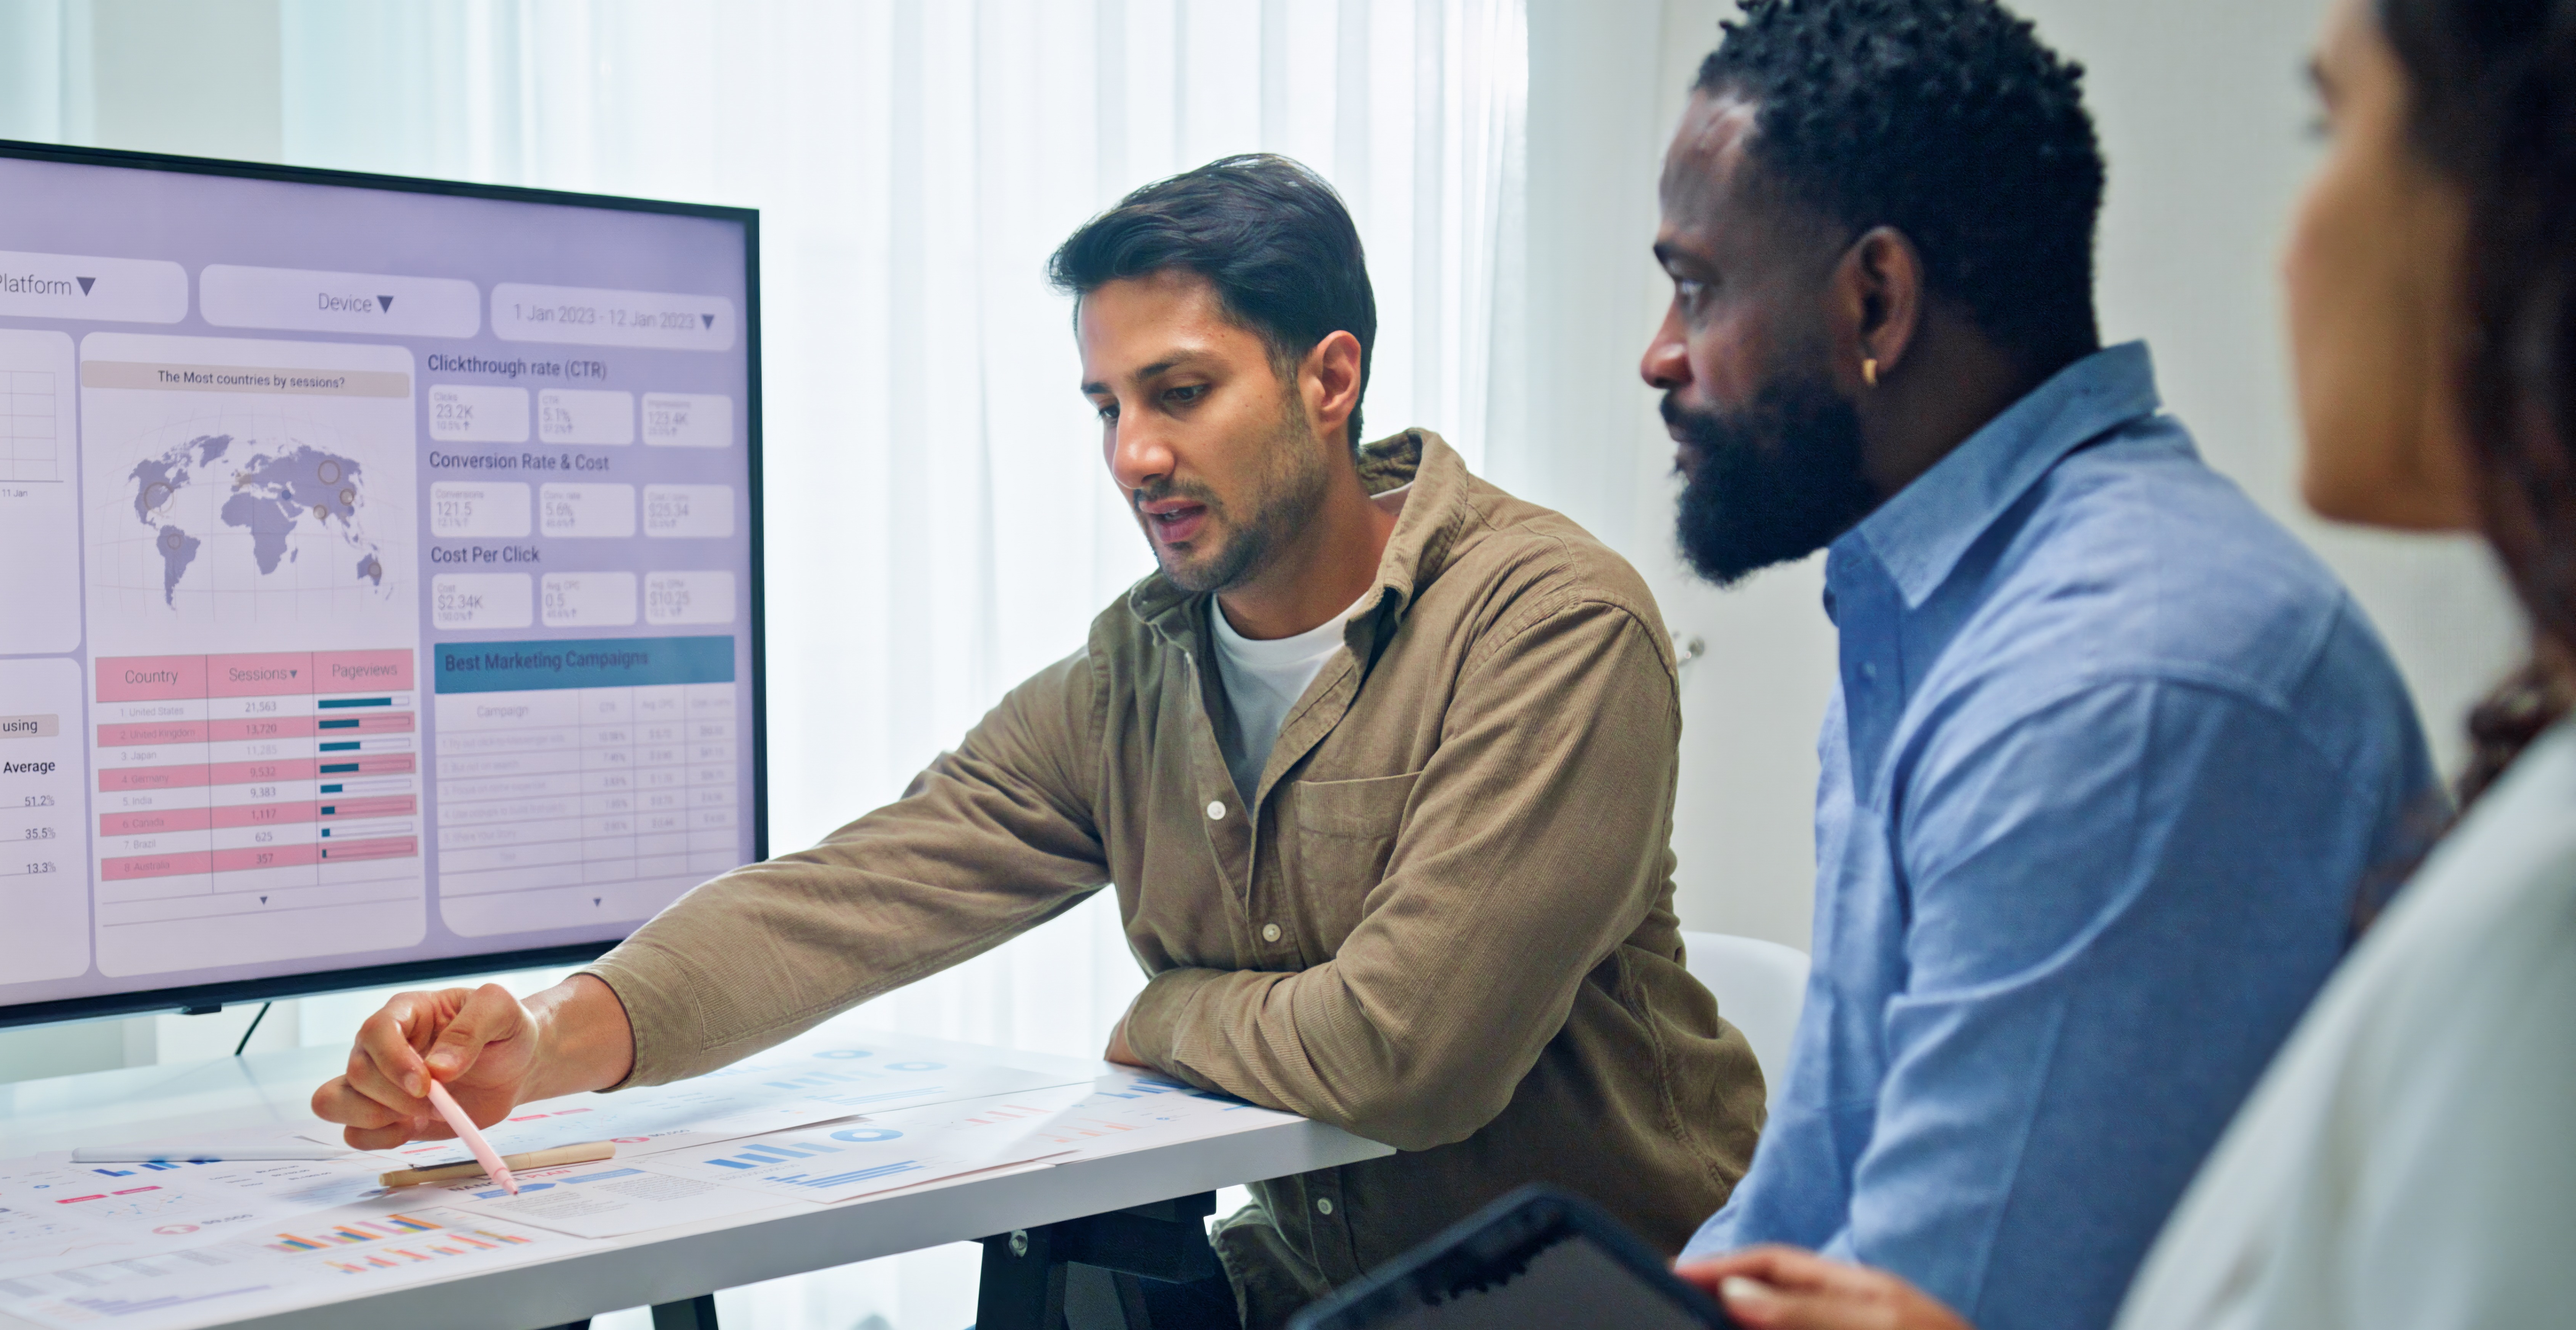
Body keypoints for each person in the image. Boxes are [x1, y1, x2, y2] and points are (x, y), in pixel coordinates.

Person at [317, 154, 1766, 1327]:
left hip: (1613, 1300)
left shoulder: (1548, 626)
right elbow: (854, 897)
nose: (1134, 453)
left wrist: (1168, 1014)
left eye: (1181, 393)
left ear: (1330, 381)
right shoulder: (1138, 666)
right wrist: (551, 1038)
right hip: (1320, 1293)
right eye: (1109, 405)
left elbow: (1411, 1054)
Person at [1675, 0, 2576, 1326]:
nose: (2286, 246)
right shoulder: (1924, 613)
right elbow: (1811, 1217)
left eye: (2330, 125)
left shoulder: (2125, 683)